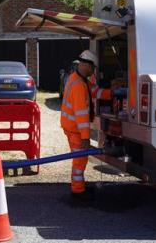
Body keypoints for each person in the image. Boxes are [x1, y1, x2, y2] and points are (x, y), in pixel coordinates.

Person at [60, 49, 97, 201]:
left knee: (80, 159)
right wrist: (85, 138)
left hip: (71, 128)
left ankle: (78, 187)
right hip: (75, 130)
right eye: (93, 67)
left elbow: (95, 91)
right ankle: (78, 191)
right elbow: (81, 115)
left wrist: (112, 92)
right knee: (80, 160)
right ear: (87, 66)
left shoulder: (78, 79)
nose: (94, 71)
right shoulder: (79, 86)